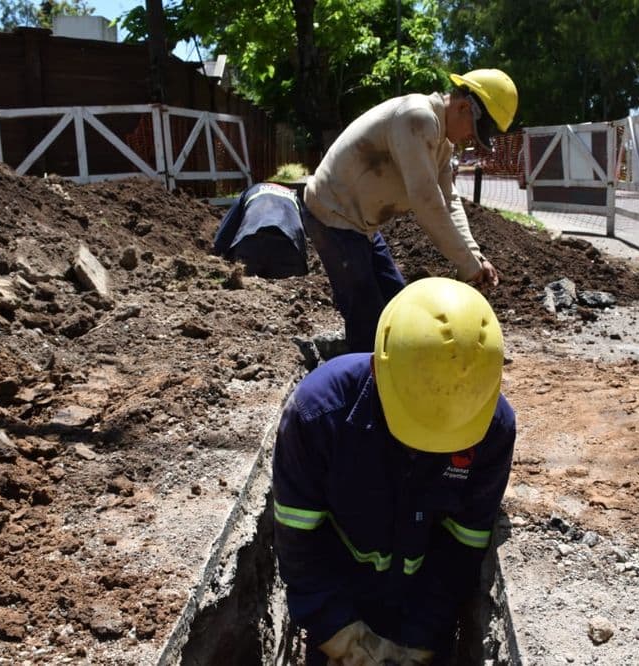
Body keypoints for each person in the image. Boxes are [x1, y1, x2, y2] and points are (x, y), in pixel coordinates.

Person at [272, 277, 517, 665]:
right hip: (339, 602)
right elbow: (299, 540)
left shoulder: (492, 428)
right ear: (378, 363)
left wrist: (419, 639)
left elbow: (463, 544)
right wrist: (341, 635)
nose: (423, 447)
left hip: (423, 609)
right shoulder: (318, 416)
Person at [301, 69, 518, 352]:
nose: (471, 140)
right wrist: (467, 266)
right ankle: (359, 383)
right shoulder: (418, 118)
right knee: (368, 323)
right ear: (464, 107)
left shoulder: (442, 141)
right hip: (332, 216)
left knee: (398, 310)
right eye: (474, 131)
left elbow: (449, 202)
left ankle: (374, 367)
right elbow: (427, 203)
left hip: (360, 226)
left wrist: (474, 255)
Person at [212, 181, 308, 279]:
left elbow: (227, 229)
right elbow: (301, 232)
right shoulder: (294, 197)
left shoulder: (249, 192)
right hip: (288, 251)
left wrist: (217, 254)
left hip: (251, 246)